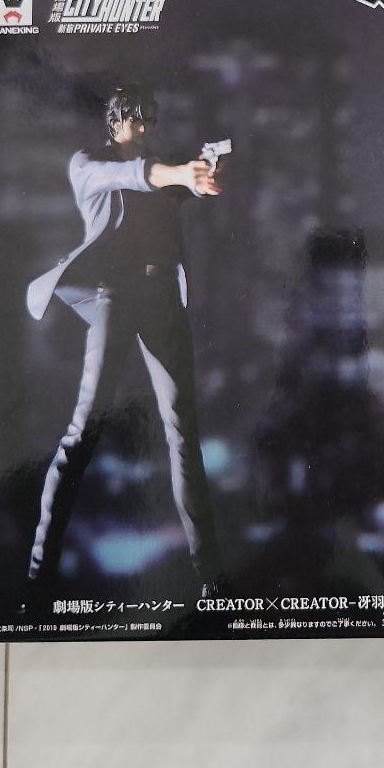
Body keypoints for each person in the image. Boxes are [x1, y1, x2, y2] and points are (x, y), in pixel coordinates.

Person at [21, 83, 225, 610]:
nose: (145, 130)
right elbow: (136, 176)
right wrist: (178, 173)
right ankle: (38, 582)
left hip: (161, 298)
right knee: (82, 432)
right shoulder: (88, 165)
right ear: (115, 122)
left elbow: (170, 186)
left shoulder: (157, 165)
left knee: (183, 434)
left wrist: (198, 178)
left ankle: (213, 581)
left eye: (150, 120)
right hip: (114, 294)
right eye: (137, 121)